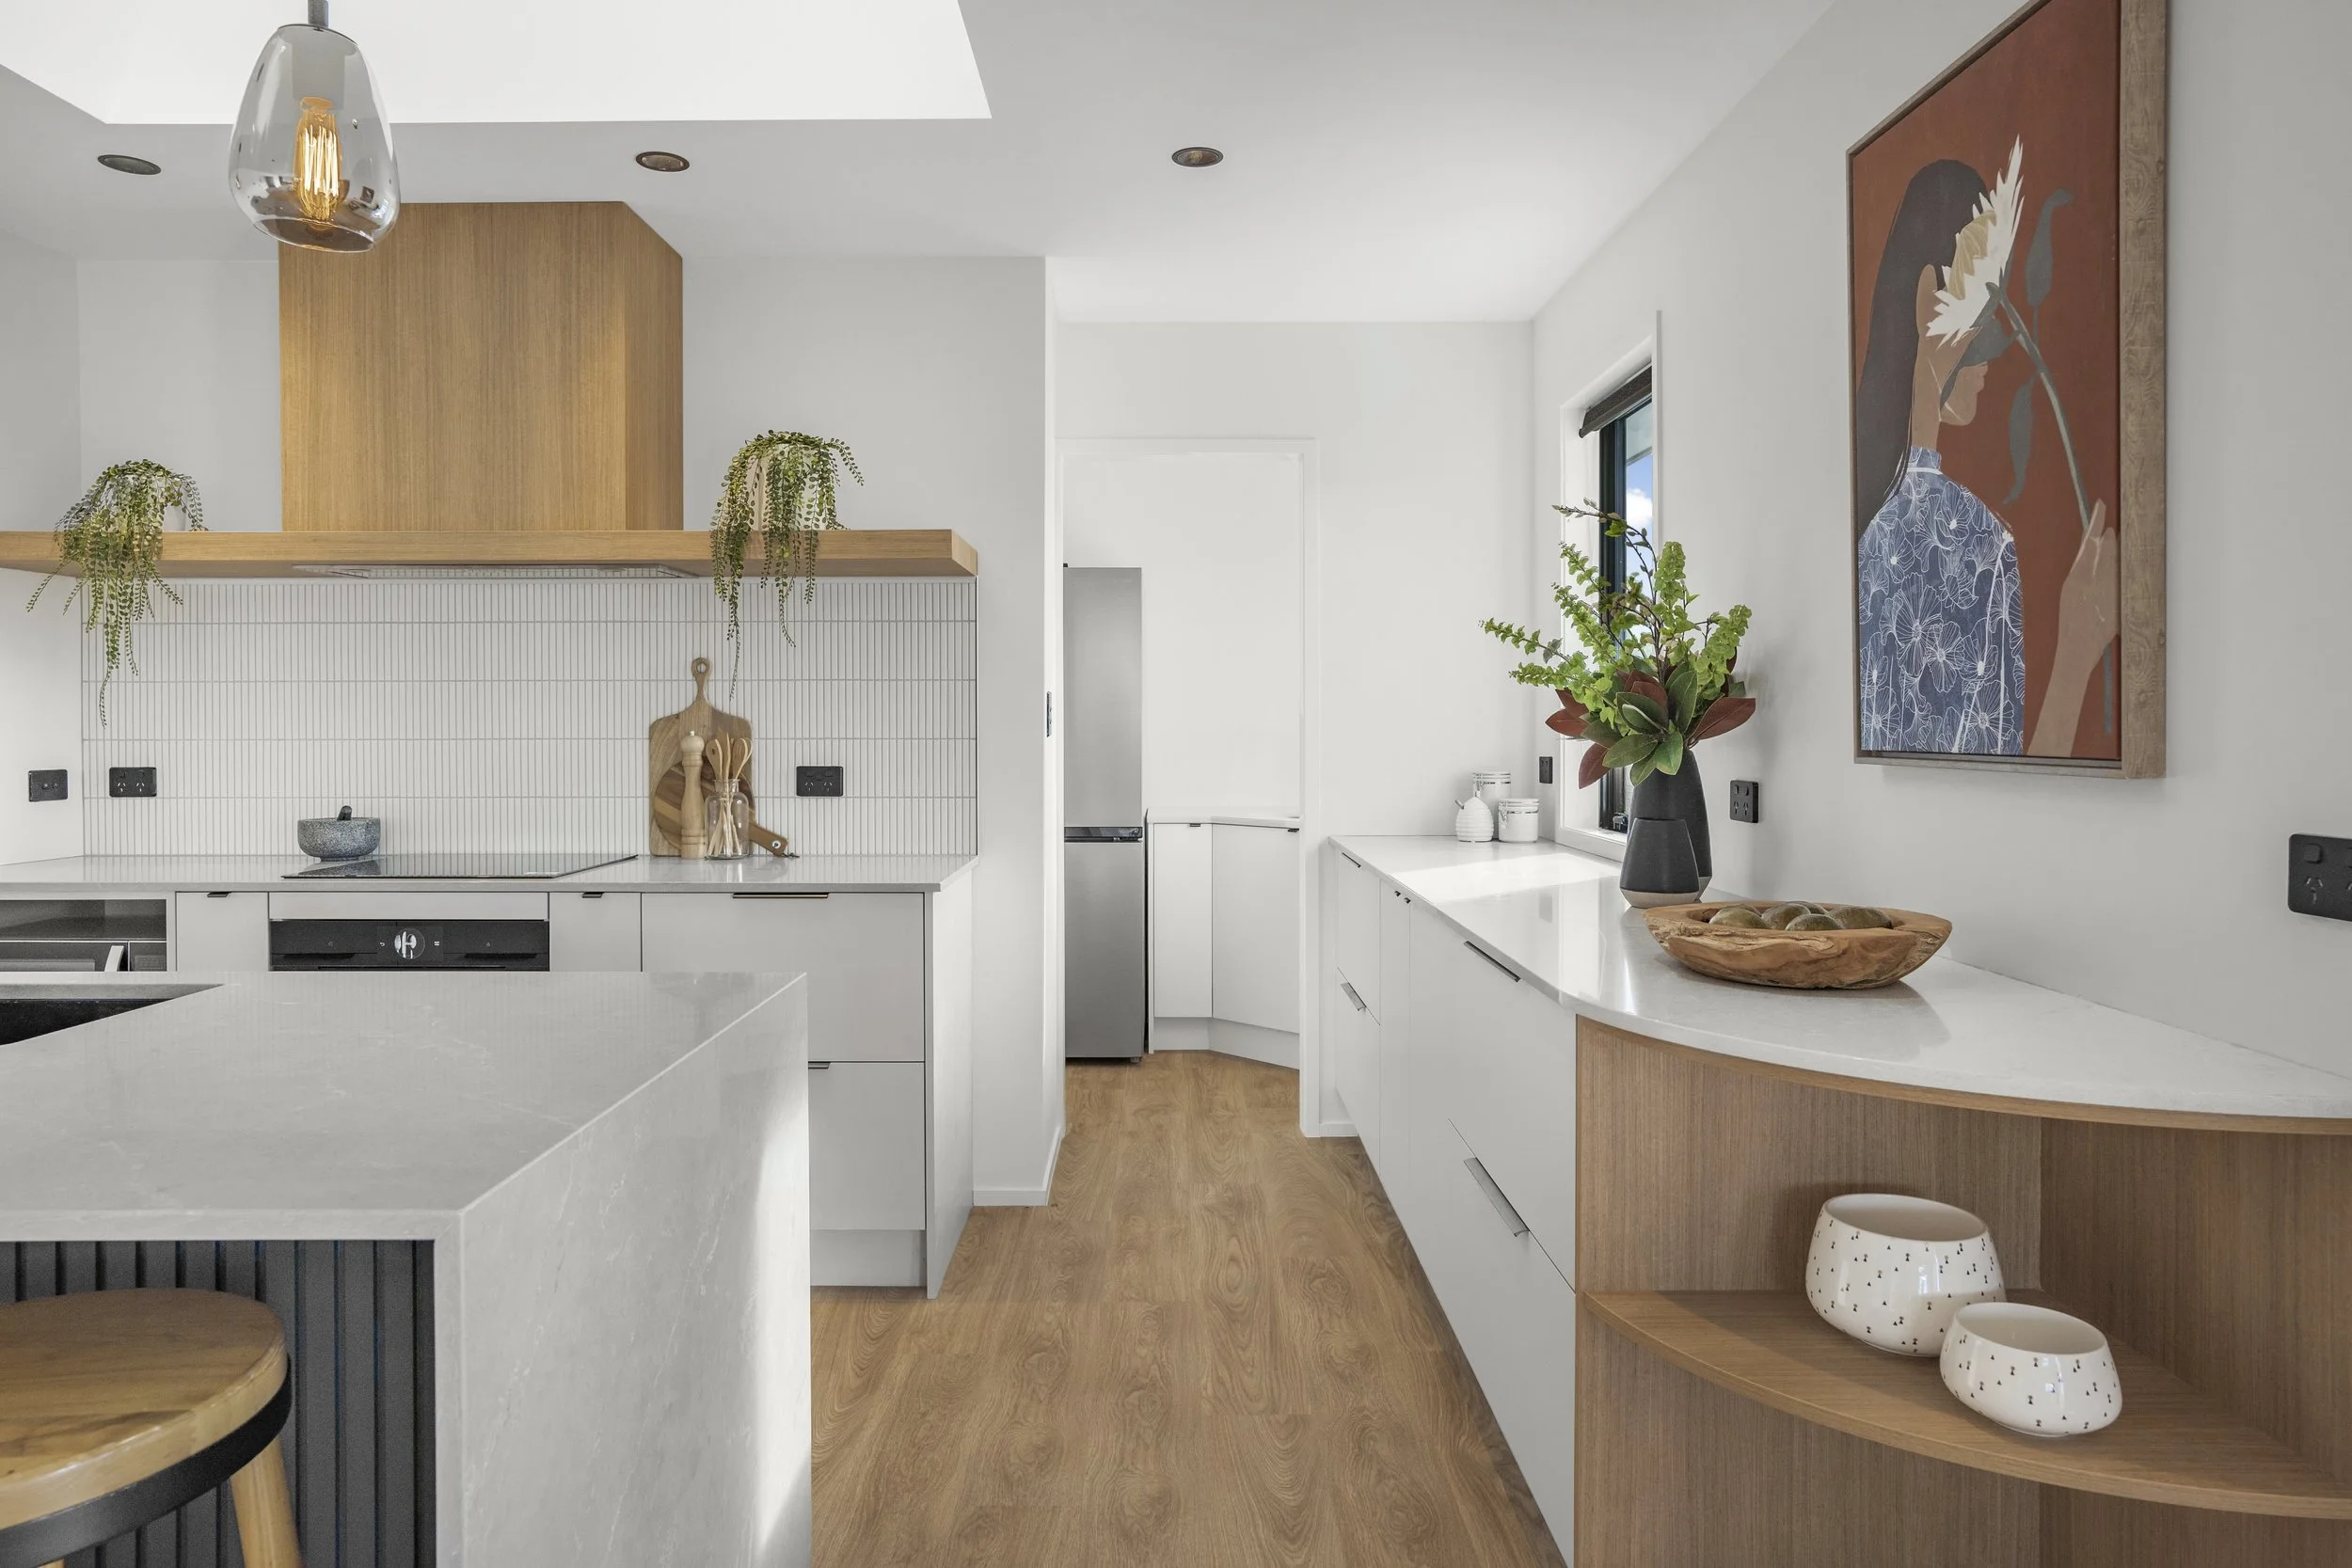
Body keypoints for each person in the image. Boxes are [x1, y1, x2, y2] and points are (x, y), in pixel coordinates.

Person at [1855, 145, 2117, 757]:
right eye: (1981, 300)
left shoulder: (1862, 531)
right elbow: (2006, 783)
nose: (1995, 337)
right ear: (1928, 294)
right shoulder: (1976, 543)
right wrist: (2078, 649)